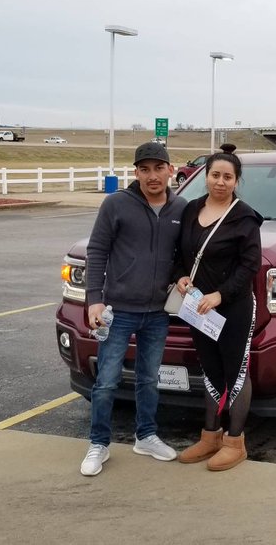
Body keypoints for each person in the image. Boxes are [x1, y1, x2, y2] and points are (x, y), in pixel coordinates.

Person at [80, 142, 187, 477]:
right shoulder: (116, 205)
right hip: (119, 310)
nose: (152, 176)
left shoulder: (181, 208)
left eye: (159, 168)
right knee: (108, 381)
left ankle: (146, 435)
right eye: (144, 169)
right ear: (136, 172)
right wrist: (94, 298)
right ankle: (98, 443)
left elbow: (184, 255)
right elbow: (96, 252)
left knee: (149, 379)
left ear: (171, 170)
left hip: (158, 312)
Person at [172, 152, 263, 471]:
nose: (220, 182)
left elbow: (250, 265)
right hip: (199, 308)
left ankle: (235, 442)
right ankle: (210, 436)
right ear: (205, 176)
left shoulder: (245, 218)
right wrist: (180, 276)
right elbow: (181, 253)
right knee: (209, 369)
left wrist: (220, 295)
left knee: (236, 371)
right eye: (215, 175)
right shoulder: (192, 209)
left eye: (227, 177)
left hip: (233, 308)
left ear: (237, 181)